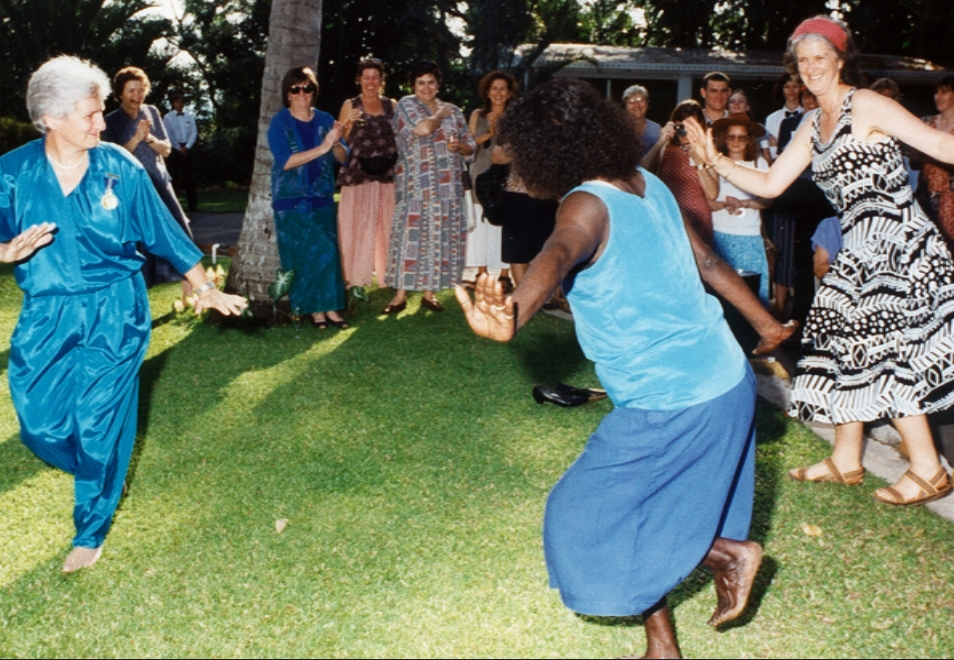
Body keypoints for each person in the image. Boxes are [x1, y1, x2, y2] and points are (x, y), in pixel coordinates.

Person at [456, 77, 786, 659]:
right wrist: (766, 325)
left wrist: (514, 312)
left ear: (547, 148)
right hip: (724, 379)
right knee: (647, 507)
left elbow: (555, 255)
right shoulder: (647, 183)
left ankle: (722, 552)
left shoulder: (584, 203)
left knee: (578, 518)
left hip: (674, 400)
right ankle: (663, 645)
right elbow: (708, 261)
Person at [686, 15, 954, 506]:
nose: (811, 69)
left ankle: (929, 468)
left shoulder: (869, 104)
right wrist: (713, 159)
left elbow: (940, 145)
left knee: (884, 352)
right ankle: (847, 458)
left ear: (840, 59)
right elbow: (769, 184)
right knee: (836, 340)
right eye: (803, 61)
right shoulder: (812, 124)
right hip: (859, 245)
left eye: (820, 58)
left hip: (899, 242)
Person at [0, 56, 247, 572]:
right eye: (89, 114)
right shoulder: (12, 172)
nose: (100, 122)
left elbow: (164, 232)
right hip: (46, 312)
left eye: (99, 111)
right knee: (40, 427)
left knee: (100, 421)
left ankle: (90, 529)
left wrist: (203, 287)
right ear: (50, 117)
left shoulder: (120, 166)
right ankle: (100, 465)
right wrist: (3, 252)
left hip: (115, 308)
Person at [383, 61, 475, 314]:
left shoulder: (455, 110)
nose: (426, 87)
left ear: (438, 84)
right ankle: (399, 296)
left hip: (448, 187)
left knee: (439, 238)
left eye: (431, 82)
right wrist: (439, 116)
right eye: (421, 82)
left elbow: (471, 148)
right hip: (415, 186)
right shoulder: (406, 105)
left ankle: (429, 294)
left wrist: (460, 148)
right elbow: (422, 129)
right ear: (413, 85)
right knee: (409, 238)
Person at [267, 66, 350, 329]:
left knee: (328, 253)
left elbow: (343, 157)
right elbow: (286, 162)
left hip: (322, 197)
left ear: (314, 91)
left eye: (308, 88)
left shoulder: (325, 119)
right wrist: (323, 147)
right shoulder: (280, 123)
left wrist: (335, 144)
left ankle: (330, 308)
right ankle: (314, 310)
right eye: (296, 89)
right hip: (290, 201)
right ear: (288, 93)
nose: (302, 93)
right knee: (304, 256)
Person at [103, 67, 194, 299]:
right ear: (120, 93)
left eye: (141, 90)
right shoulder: (110, 121)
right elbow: (114, 160)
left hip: (160, 182)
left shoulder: (152, 112)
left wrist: (150, 137)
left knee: (181, 229)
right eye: (131, 90)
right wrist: (136, 138)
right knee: (140, 242)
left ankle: (191, 293)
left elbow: (166, 150)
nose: (137, 95)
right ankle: (139, 297)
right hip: (131, 188)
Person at [336, 58, 398, 293]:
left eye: (376, 77)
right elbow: (339, 139)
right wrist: (348, 123)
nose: (371, 82)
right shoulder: (350, 104)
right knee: (355, 227)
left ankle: (388, 278)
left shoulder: (392, 104)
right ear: (359, 80)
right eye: (366, 77)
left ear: (382, 80)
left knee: (388, 227)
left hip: (387, 175)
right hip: (357, 174)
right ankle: (353, 279)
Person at [709, 114, 771, 305]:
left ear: (749, 140)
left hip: (750, 236)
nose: (736, 142)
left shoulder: (759, 164)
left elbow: (768, 201)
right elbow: (706, 201)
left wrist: (744, 203)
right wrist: (725, 204)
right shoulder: (716, 162)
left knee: (753, 295)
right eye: (731, 137)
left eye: (741, 137)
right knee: (724, 295)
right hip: (721, 235)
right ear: (724, 139)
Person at [465, 71, 515, 292]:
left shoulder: (515, 115)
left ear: (509, 93)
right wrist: (490, 132)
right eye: (494, 88)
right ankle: (482, 273)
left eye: (503, 89)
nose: (498, 93)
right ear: (487, 91)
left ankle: (504, 274)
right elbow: (468, 144)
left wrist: (501, 130)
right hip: (480, 173)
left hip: (506, 174)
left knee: (503, 222)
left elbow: (518, 146)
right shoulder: (478, 114)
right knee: (480, 221)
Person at [657, 100, 719, 246]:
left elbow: (712, 194)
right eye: (681, 127)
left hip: (697, 220)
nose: (685, 132)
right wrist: (660, 142)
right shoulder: (666, 148)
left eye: (692, 127)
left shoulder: (707, 151)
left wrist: (699, 162)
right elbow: (643, 171)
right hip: (671, 216)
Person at [913, 75, 954, 247]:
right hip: (926, 194)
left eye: (944, 92)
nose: (938, 97)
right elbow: (914, 161)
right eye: (936, 92)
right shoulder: (926, 123)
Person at [163, 92, 198, 212]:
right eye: (178, 101)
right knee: (175, 177)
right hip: (174, 149)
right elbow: (168, 134)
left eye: (182, 102)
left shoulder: (189, 117)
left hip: (187, 148)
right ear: (173, 104)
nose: (180, 104)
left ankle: (193, 206)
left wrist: (187, 147)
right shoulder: (168, 117)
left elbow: (194, 132)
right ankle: (174, 206)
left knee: (190, 178)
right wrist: (178, 148)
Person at [622, 84, 669, 171]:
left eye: (641, 100)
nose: (637, 105)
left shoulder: (656, 128)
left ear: (647, 104)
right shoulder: (619, 127)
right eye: (631, 102)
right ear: (626, 106)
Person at [765, 74, 804, 161]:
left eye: (795, 86)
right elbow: (771, 147)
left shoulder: (807, 115)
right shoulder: (772, 118)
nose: (791, 90)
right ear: (781, 90)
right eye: (787, 87)